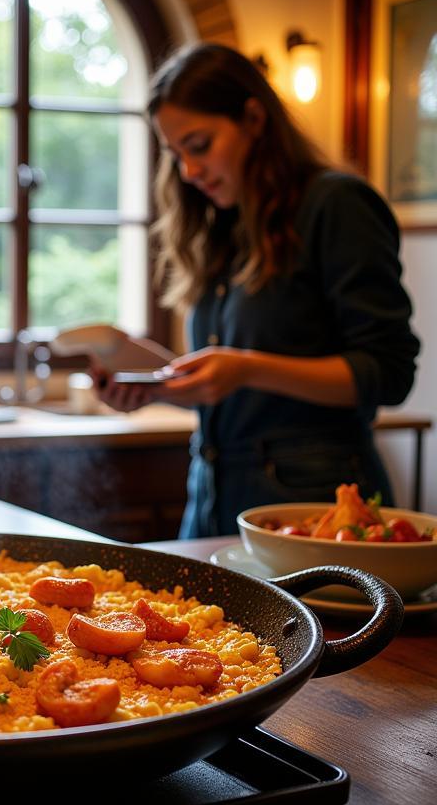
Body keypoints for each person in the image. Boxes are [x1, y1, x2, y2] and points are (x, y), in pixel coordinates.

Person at [94, 42, 420, 538]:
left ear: (253, 118)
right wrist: (161, 385)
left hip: (314, 509)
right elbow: (238, 392)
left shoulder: (336, 205)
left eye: (199, 145)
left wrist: (245, 368)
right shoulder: (223, 227)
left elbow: (389, 374)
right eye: (175, 153)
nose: (188, 171)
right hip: (212, 497)